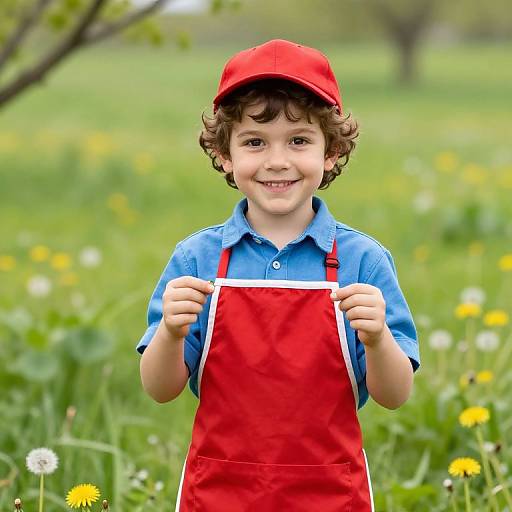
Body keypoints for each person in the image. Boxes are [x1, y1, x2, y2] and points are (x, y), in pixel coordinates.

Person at [137, 38, 420, 511]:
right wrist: (169, 331)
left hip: (329, 493)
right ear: (225, 155)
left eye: (299, 140)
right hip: (220, 492)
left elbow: (394, 395)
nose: (276, 160)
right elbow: (159, 389)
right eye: (254, 142)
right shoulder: (197, 259)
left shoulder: (362, 261)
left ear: (330, 151)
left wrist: (377, 340)